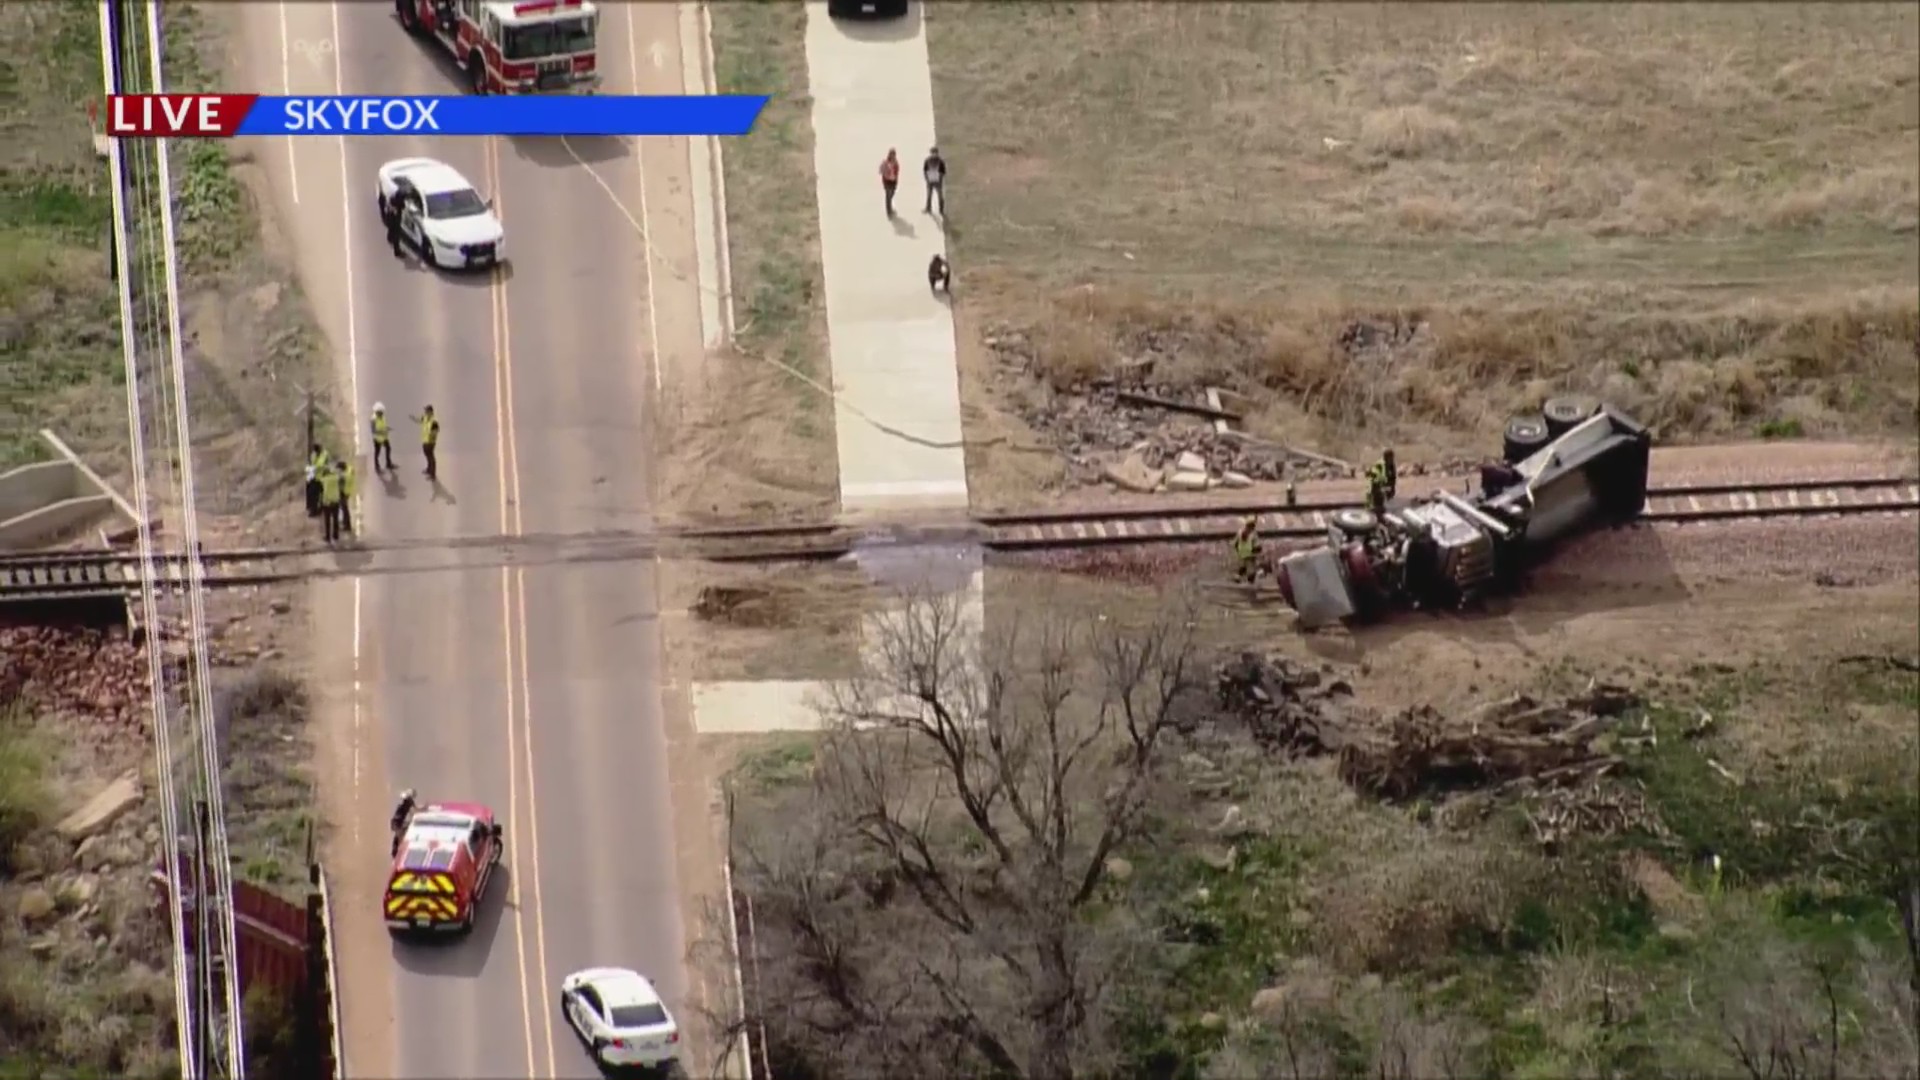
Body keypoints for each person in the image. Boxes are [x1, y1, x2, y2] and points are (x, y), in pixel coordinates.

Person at [411, 405, 440, 481]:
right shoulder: (425, 418)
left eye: (427, 411)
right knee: (427, 456)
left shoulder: (434, 421)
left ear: (431, 412)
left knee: (431, 457)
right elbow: (419, 420)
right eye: (425, 411)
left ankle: (432, 474)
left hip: (430, 442)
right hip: (425, 441)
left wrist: (432, 436)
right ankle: (428, 469)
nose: (425, 412)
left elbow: (436, 431)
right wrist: (413, 418)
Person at [1231, 515, 1262, 584]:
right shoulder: (1253, 534)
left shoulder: (1240, 532)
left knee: (1243, 567)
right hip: (1250, 553)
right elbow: (1257, 545)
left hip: (1242, 553)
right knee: (1251, 569)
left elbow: (1234, 543)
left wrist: (1238, 550)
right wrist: (1258, 550)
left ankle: (1238, 577)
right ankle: (1250, 581)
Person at [318, 461, 343, 544]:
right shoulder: (335, 478)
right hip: (336, 501)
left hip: (327, 502)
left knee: (327, 521)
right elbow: (341, 476)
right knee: (335, 519)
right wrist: (334, 471)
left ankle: (328, 537)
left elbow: (318, 479)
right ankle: (336, 535)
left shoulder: (323, 480)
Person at [390, 788, 417, 856]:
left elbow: (413, 811)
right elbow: (414, 811)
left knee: (399, 835)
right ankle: (397, 852)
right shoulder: (409, 803)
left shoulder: (404, 803)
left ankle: (396, 851)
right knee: (399, 836)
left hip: (396, 821)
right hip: (397, 822)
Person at [305, 443, 330, 516]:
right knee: (313, 495)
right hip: (314, 477)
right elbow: (313, 463)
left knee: (323, 495)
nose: (315, 452)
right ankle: (314, 510)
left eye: (316, 451)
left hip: (323, 477)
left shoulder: (325, 455)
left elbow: (321, 465)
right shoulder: (313, 454)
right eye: (315, 451)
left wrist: (315, 468)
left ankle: (321, 509)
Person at [370, 402, 394, 473]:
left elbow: (383, 425)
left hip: (384, 438)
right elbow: (373, 431)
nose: (381, 414)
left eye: (382, 412)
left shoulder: (383, 417)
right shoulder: (373, 419)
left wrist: (387, 428)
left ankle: (388, 463)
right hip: (377, 439)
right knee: (377, 452)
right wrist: (382, 432)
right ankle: (377, 466)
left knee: (388, 449)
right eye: (379, 412)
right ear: (376, 412)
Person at [922, 146, 946, 215]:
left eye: (935, 153)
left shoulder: (940, 162)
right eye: (932, 153)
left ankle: (941, 210)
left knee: (940, 196)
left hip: (938, 182)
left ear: (937, 153)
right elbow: (925, 170)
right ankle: (928, 208)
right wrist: (926, 178)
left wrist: (940, 177)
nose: (934, 154)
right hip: (930, 181)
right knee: (929, 195)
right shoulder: (927, 161)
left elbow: (943, 171)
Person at [879, 148, 901, 217]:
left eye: (894, 154)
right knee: (888, 195)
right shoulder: (885, 162)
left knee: (892, 193)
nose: (893, 156)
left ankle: (889, 205)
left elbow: (897, 171)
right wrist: (886, 173)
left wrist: (896, 179)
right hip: (887, 181)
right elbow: (881, 171)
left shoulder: (896, 162)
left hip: (893, 181)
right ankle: (889, 211)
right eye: (891, 154)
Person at [337, 459, 356, 536]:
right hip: (348, 491)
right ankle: (346, 524)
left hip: (344, 493)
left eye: (339, 469)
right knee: (345, 509)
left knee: (344, 509)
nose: (338, 470)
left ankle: (347, 525)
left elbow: (341, 483)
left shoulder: (344, 475)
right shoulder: (349, 470)